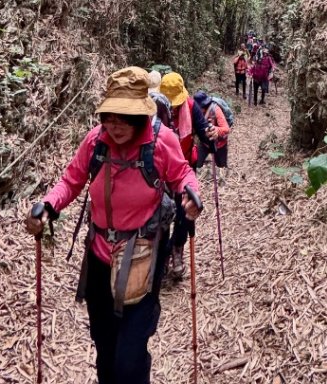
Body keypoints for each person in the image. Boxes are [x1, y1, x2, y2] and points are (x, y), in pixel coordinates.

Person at [25, 66, 202, 384]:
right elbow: (71, 179)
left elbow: (182, 175)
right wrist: (49, 205)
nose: (115, 125)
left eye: (124, 116)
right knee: (104, 348)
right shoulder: (96, 142)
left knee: (129, 358)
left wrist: (190, 195)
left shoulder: (161, 143)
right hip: (99, 256)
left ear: (140, 116)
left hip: (142, 256)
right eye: (109, 115)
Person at [159, 72, 209, 278]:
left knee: (184, 212)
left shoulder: (190, 107)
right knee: (159, 212)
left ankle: (177, 249)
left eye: (175, 103)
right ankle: (159, 255)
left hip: (184, 168)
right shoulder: (154, 109)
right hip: (159, 170)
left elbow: (204, 130)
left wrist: (211, 136)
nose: (173, 108)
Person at [193, 90, 230, 182]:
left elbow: (226, 129)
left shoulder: (216, 110)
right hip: (204, 143)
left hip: (219, 144)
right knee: (197, 163)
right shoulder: (197, 112)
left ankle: (221, 182)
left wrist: (215, 130)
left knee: (221, 166)